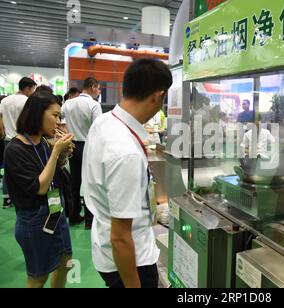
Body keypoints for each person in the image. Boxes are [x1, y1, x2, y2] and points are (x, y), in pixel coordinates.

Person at [82, 58, 173, 288]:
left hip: (107, 249)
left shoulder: (105, 122)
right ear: (157, 96)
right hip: (131, 262)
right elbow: (121, 238)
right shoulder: (126, 152)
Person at [4, 92, 74, 288]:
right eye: (55, 115)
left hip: (54, 213)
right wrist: (56, 152)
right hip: (34, 220)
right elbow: (40, 187)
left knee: (65, 260)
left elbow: (50, 174)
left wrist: (61, 156)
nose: (58, 122)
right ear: (37, 114)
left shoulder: (41, 142)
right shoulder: (15, 150)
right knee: (38, 277)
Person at [62, 77, 102, 228]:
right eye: (98, 89)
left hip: (71, 145)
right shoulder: (94, 105)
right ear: (92, 87)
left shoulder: (68, 103)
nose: (98, 92)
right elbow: (98, 129)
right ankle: (89, 220)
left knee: (74, 181)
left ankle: (73, 215)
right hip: (88, 146)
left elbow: (61, 124)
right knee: (89, 183)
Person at [0, 77, 37, 209]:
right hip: (24, 140)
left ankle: (6, 199)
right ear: (27, 88)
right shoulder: (27, 101)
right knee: (25, 171)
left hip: (8, 140)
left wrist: (3, 134)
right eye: (32, 89)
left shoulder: (5, 100)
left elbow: (0, 119)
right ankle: (22, 197)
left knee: (7, 170)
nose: (32, 92)